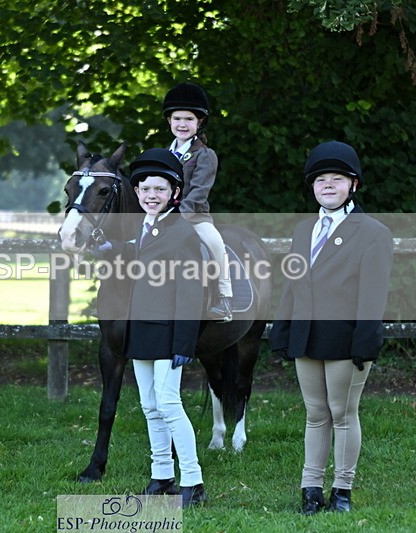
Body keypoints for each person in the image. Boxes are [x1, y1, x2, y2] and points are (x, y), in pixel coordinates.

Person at [270, 141, 393, 515]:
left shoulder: (373, 232)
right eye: (320, 180)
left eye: (336, 179)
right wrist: (282, 328)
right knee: (314, 413)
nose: (327, 185)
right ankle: (310, 489)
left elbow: (373, 294)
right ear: (312, 186)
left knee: (342, 412)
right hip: (306, 336)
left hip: (346, 338)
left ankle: (342, 489)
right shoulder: (303, 230)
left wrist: (365, 340)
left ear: (353, 185)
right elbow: (293, 283)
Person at [123, 148, 207, 507]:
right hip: (141, 328)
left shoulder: (182, 231)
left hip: (170, 331)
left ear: (174, 193)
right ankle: (162, 476)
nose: (151, 195)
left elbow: (190, 290)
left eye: (159, 189)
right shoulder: (143, 227)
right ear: (138, 193)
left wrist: (184, 342)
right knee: (148, 405)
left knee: (169, 404)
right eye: (145, 189)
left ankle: (193, 481)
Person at [161, 82, 233, 322]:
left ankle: (223, 297)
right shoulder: (163, 155)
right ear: (169, 121)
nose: (182, 124)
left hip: (194, 217)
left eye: (189, 119)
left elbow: (199, 191)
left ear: (199, 122)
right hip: (159, 216)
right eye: (177, 118)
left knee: (215, 243)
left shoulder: (205, 155)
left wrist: (178, 215)